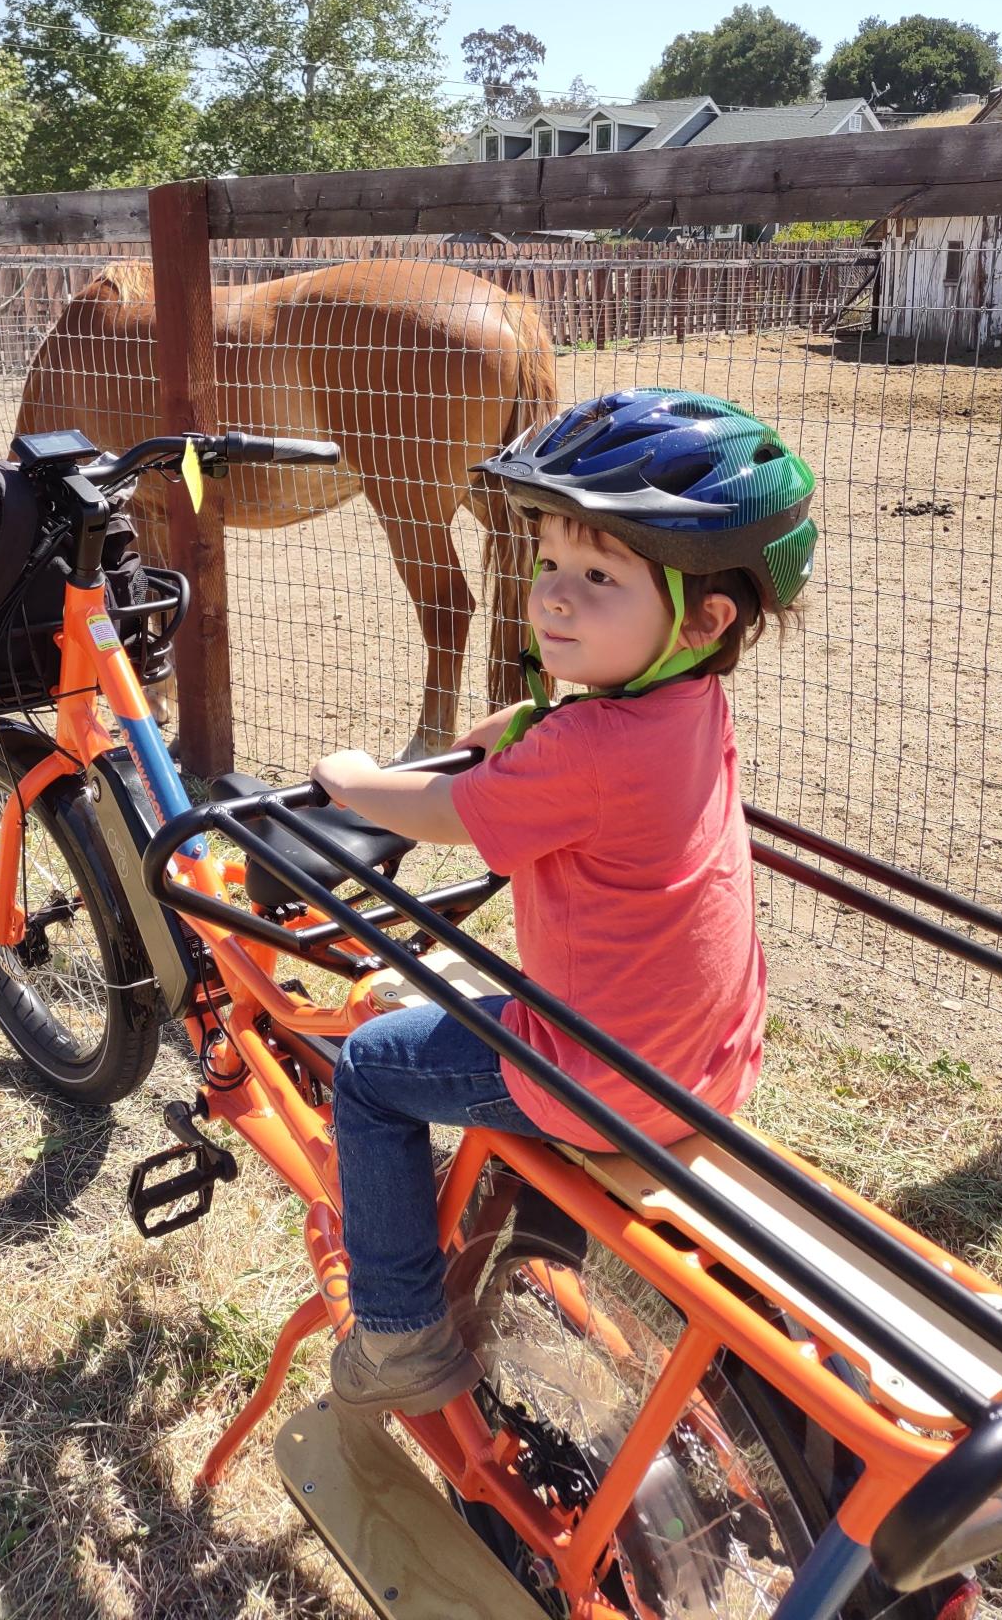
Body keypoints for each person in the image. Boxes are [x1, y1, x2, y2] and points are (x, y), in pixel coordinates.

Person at [310, 388, 817, 1417]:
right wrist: (525, 725)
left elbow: (453, 807)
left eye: (599, 576)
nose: (552, 598)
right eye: (546, 564)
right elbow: (567, 738)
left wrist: (359, 779)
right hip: (702, 1065)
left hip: (596, 1078)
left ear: (706, 616)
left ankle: (402, 1332)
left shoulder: (590, 750)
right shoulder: (686, 698)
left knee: (367, 1067)